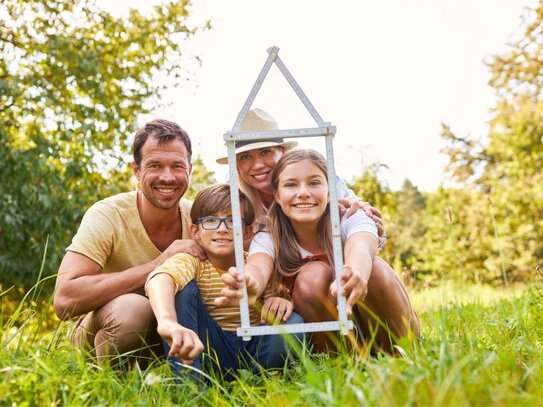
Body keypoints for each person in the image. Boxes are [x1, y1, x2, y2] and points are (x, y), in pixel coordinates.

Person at [219, 149, 419, 354]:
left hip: (382, 318)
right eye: (291, 185)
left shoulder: (350, 215)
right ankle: (342, 363)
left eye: (314, 183)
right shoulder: (269, 234)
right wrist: (251, 283)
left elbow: (361, 245)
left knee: (375, 269)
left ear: (331, 191)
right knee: (311, 276)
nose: (303, 192)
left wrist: (356, 270)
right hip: (334, 328)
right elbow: (259, 264)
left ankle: (398, 355)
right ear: (277, 195)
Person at [53, 119, 205, 366]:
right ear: (137, 170)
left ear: (189, 168)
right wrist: (157, 264)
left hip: (169, 335)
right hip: (106, 332)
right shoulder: (107, 214)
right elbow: (64, 300)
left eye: (177, 166)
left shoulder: (199, 220)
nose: (167, 177)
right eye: (155, 165)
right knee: (133, 310)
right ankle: (107, 387)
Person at [145, 183, 303, 380]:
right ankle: (190, 385)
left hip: (256, 350)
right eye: (211, 221)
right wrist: (167, 321)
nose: (221, 229)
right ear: (195, 232)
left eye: (232, 221)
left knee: (293, 322)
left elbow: (275, 297)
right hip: (209, 349)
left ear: (247, 232)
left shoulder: (256, 263)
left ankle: (263, 381)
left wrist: (281, 300)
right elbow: (160, 278)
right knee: (183, 290)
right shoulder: (192, 261)